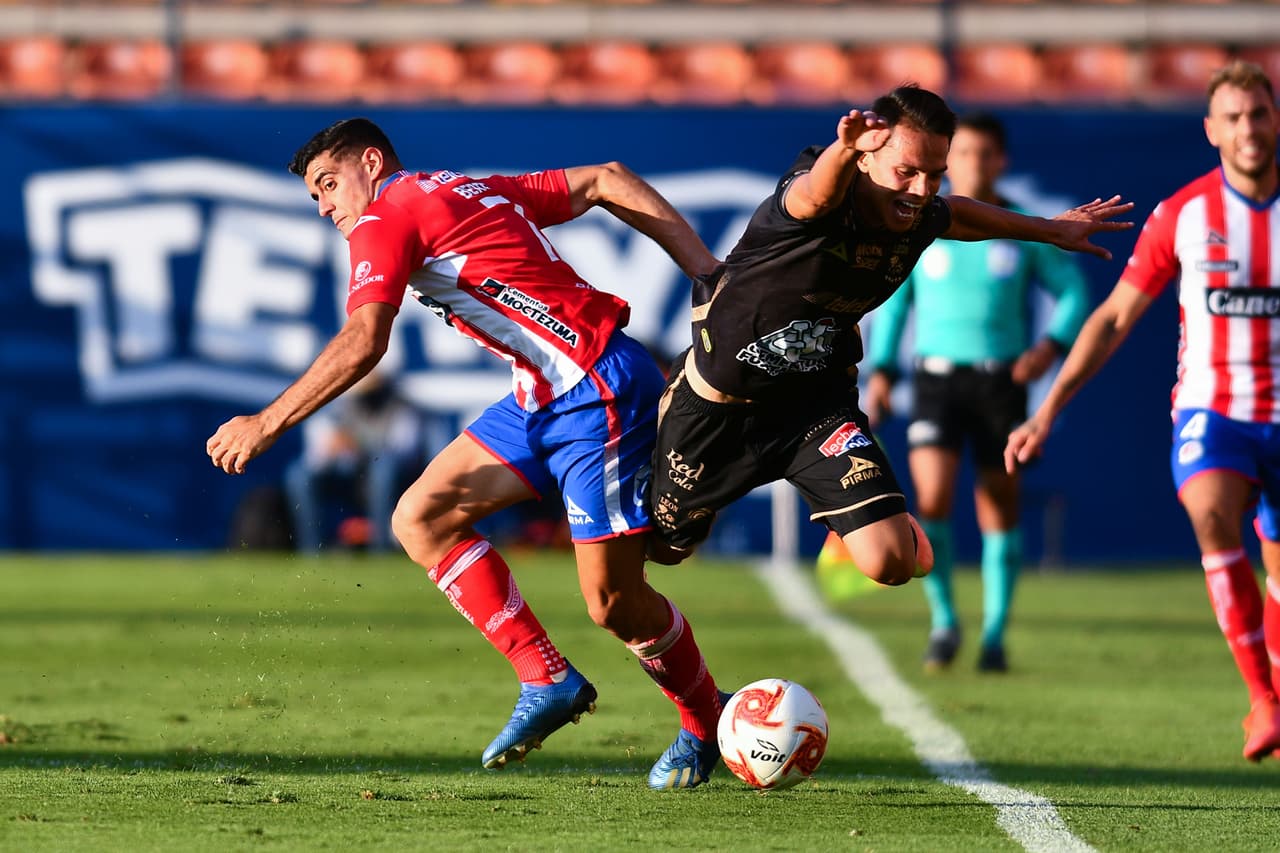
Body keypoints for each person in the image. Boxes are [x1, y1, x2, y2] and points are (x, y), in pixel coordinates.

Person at [206, 118, 731, 789]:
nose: (326, 205)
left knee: (614, 602)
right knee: (418, 518)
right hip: (540, 396)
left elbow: (365, 339)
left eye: (329, 182)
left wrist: (266, 422)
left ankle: (704, 717)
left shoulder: (387, 213)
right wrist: (707, 271)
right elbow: (607, 178)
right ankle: (546, 676)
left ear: (372, 162)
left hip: (594, 388)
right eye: (315, 196)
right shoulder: (462, 187)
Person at [647, 86, 1131, 598]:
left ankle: (865, 518)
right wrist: (844, 149)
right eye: (907, 171)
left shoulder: (916, 211)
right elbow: (818, 191)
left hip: (814, 410)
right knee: (666, 549)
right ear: (869, 156)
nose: (923, 189)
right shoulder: (815, 198)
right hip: (720, 407)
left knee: (893, 563)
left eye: (935, 173)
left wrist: (1048, 230)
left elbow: (959, 214)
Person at [1006, 60, 1280, 762]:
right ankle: (1262, 699)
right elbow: (1114, 317)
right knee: (1213, 512)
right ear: (1211, 130)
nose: (1249, 128)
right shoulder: (1185, 214)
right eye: (1235, 116)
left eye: (1260, 113)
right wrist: (1046, 410)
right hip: (1213, 411)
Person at [863, 113, 1091, 673]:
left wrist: (1050, 346)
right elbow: (896, 302)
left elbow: (1073, 293)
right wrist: (885, 368)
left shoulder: (1016, 226)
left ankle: (993, 635)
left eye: (986, 155)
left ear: (1001, 161)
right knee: (932, 500)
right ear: (949, 159)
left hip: (1000, 383)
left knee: (998, 506)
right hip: (937, 381)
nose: (975, 164)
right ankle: (944, 624)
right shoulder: (926, 222)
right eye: (964, 154)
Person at [284, 369, 424, 553]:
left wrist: (360, 447)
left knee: (383, 471)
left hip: (389, 480)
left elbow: (405, 452)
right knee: (299, 475)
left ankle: (380, 550)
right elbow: (316, 457)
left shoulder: (400, 409)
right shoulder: (340, 410)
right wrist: (332, 448)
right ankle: (312, 550)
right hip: (348, 477)